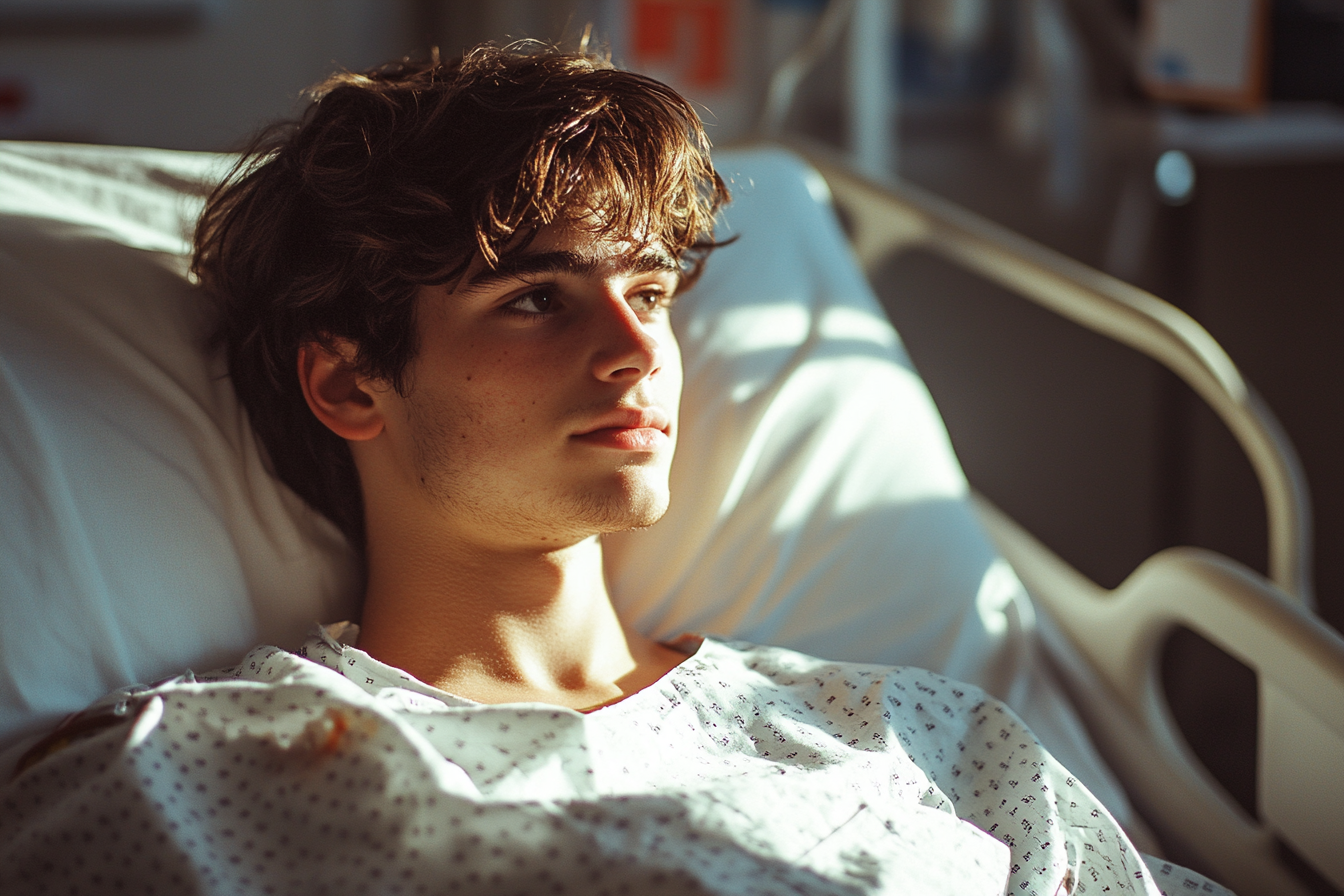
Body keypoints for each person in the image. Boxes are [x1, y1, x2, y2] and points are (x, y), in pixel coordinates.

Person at [0, 42, 1231, 896]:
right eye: (539, 297)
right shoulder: (184, 779)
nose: (641, 348)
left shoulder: (910, 731)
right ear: (349, 382)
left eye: (648, 291)